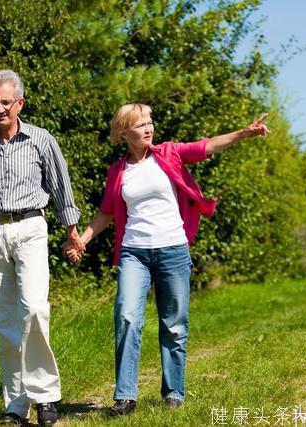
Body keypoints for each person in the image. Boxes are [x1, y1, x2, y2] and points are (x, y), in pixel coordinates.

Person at [64, 103, 268, 415]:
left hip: (172, 248)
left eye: (149, 122)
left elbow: (207, 146)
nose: (148, 128)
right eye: (140, 124)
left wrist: (245, 133)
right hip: (134, 251)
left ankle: (173, 393)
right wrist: (82, 240)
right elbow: (106, 212)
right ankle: (125, 397)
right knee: (127, 316)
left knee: (173, 324)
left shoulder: (169, 153)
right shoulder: (118, 171)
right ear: (123, 133)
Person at [0, 69, 85, 426]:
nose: (0, 109)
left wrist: (72, 231)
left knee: (35, 310)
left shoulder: (41, 140)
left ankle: (45, 397)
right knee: (3, 320)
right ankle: (16, 404)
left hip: (30, 226)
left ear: (20, 103)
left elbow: (61, 187)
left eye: (6, 102)